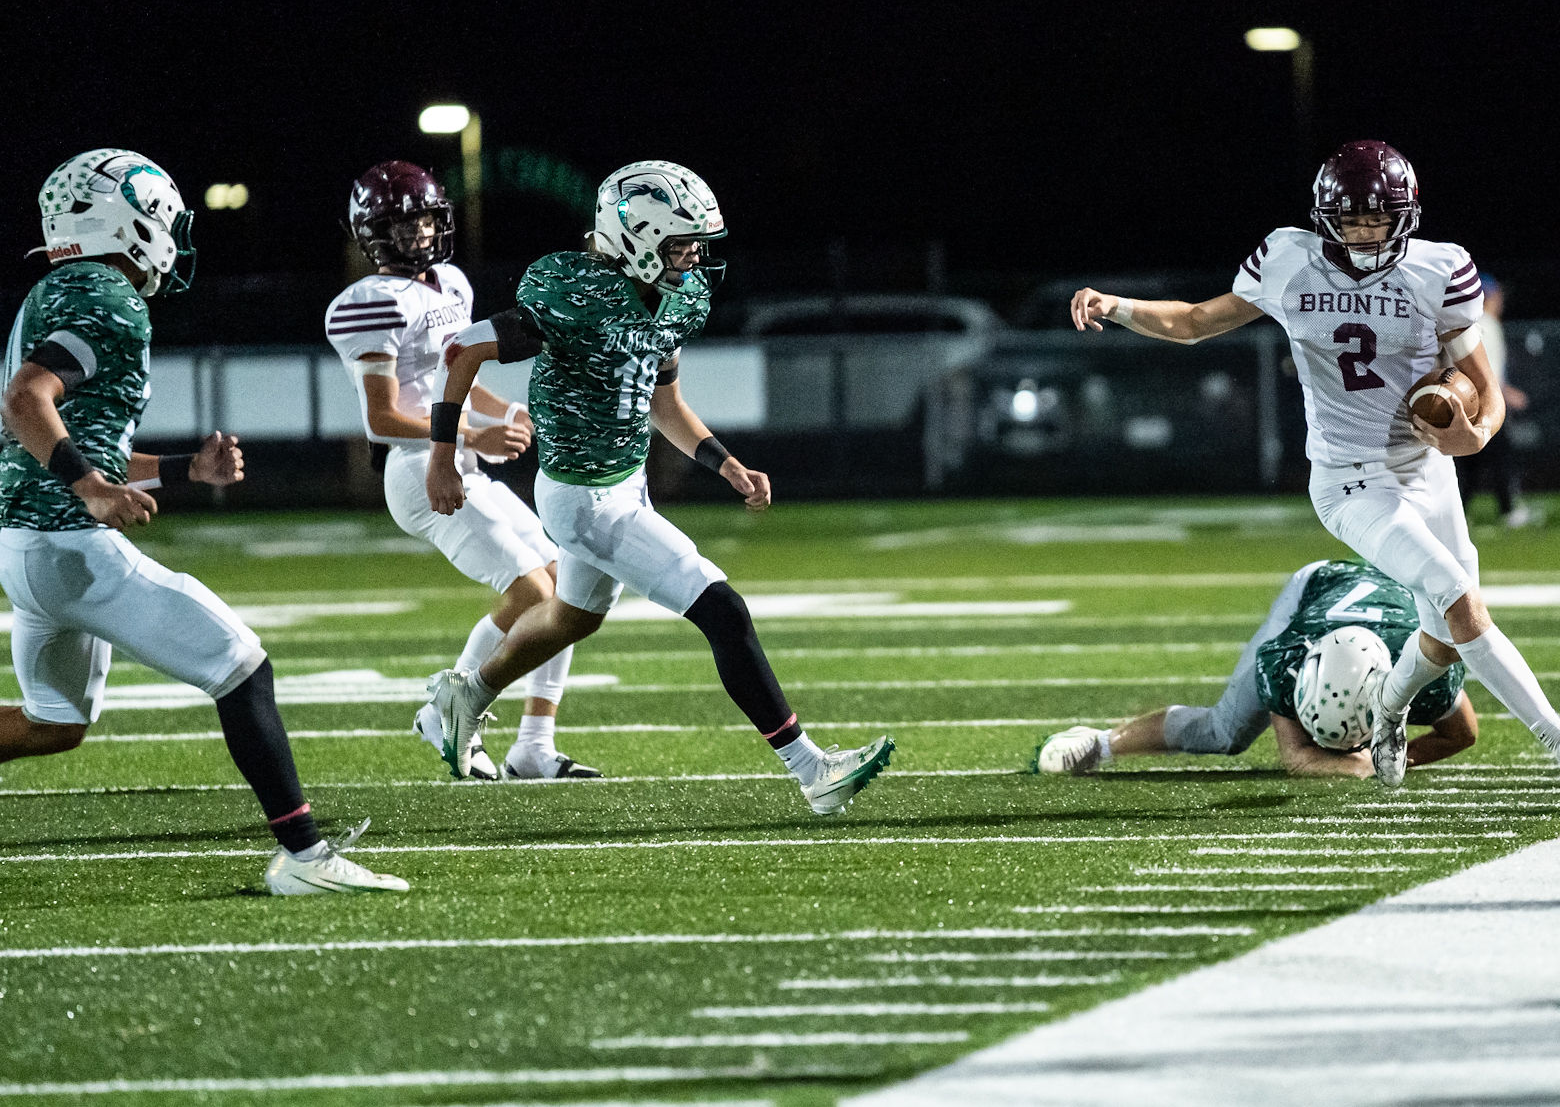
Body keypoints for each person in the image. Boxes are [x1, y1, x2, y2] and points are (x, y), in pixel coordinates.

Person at [1070, 140, 1560, 794]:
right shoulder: (1287, 258)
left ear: (1405, 214)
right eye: (1351, 219)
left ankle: (1387, 714)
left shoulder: (1439, 268)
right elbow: (1193, 321)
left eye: (1377, 219)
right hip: (1350, 479)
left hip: (1428, 470)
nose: (1364, 233)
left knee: (1442, 637)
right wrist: (1117, 306)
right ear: (1325, 216)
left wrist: (1477, 433)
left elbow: (1484, 387)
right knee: (1458, 598)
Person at [420, 161, 893, 816]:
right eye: (681, 242)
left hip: (625, 485)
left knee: (571, 618)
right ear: (637, 237)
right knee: (722, 609)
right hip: (582, 498)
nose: (695, 256)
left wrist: (724, 462)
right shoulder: (573, 294)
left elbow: (663, 401)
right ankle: (812, 769)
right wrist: (443, 457)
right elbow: (462, 351)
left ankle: (466, 694)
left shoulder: (677, 297)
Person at [0, 150, 406, 896]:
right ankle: (305, 857)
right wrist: (90, 487)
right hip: (70, 547)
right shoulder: (108, 294)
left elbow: (64, 431)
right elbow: (27, 399)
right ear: (129, 221)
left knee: (52, 723)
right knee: (242, 666)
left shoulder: (52, 290)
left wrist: (188, 469)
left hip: (24, 546)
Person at [326, 161, 597, 781]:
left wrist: (511, 412)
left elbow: (455, 382)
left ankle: (533, 746)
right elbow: (382, 417)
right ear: (373, 233)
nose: (423, 232)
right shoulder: (368, 302)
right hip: (418, 469)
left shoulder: (450, 283)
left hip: (461, 457)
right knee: (531, 593)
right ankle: (444, 711)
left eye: (428, 219)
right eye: (406, 223)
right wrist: (471, 434)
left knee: (567, 588)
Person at [1034, 557, 1476, 776]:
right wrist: (1354, 765)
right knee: (1224, 732)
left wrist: (1396, 759)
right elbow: (1296, 756)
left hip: (1399, 597)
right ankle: (1100, 744)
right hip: (1319, 586)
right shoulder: (1284, 660)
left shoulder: (1427, 675)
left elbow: (1462, 734)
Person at [1465, 274, 1532, 528]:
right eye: (1497, 294)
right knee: (1499, 458)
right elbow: (1487, 369)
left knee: (1471, 461)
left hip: (1472, 400)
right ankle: (1508, 510)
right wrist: (1506, 394)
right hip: (1486, 403)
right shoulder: (1487, 324)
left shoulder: (1472, 322)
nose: (1501, 299)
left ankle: (1460, 511)